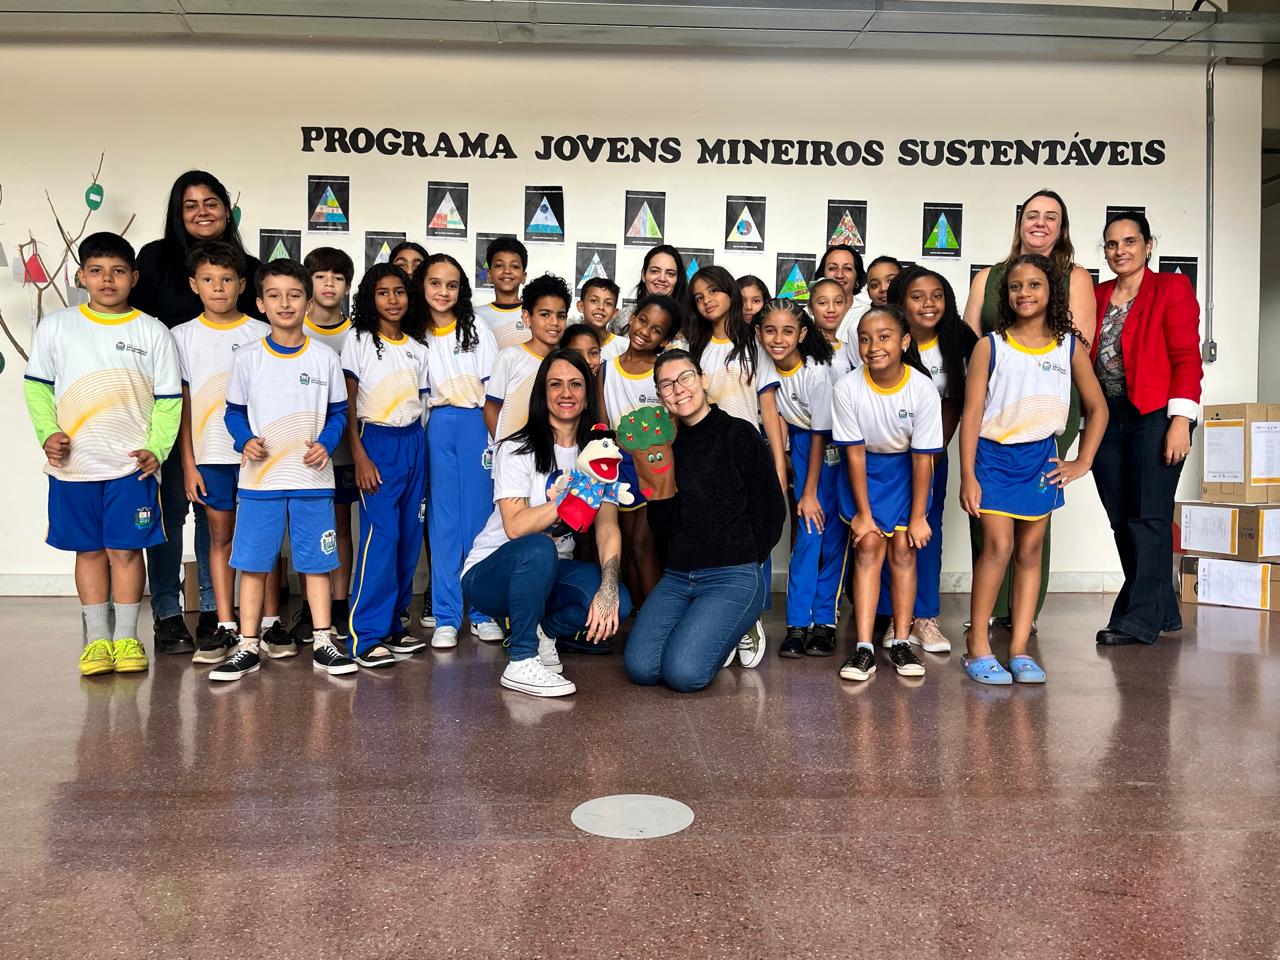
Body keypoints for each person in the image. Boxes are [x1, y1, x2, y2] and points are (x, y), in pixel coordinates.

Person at [24, 232, 181, 676]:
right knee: (89, 552)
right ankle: (97, 641)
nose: (107, 279)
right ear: (81, 277)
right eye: (96, 271)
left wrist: (156, 448)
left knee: (126, 552)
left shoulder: (152, 331)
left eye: (117, 271)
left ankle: (128, 638)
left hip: (132, 467)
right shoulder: (57, 326)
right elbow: (37, 388)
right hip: (73, 466)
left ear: (134, 277)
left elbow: (169, 400)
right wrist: (48, 433)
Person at [959, 254, 1108, 685]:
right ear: (1006, 295)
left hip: (1040, 459)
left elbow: (1098, 408)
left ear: (1051, 292)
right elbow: (972, 415)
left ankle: (1020, 649)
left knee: (1029, 552)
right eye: (1015, 286)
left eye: (1034, 285)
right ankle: (978, 646)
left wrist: (1082, 461)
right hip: (994, 458)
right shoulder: (990, 346)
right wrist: (968, 476)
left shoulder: (1069, 347)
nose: (1024, 293)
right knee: (998, 547)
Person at [131, 170, 263, 653]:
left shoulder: (249, 266)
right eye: (191, 204)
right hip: (169, 408)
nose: (202, 212)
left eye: (211, 202)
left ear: (227, 209)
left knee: (216, 516)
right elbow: (135, 325)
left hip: (227, 423)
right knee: (169, 513)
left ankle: (213, 609)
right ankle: (167, 612)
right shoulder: (155, 260)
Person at [212, 259, 355, 681]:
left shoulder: (325, 358)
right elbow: (233, 412)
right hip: (261, 482)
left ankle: (324, 642)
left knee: (317, 564)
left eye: (294, 295)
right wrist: (244, 439)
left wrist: (326, 443)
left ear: (308, 303)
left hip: (313, 481)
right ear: (260, 303)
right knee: (254, 563)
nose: (285, 303)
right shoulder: (248, 358)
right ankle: (248, 645)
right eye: (274, 296)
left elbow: (339, 413)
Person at [463, 349, 631, 697]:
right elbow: (515, 527)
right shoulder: (516, 448)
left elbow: (607, 528)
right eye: (555, 384)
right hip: (490, 574)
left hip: (551, 572)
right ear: (543, 393)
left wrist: (609, 587)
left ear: (587, 396)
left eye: (575, 384)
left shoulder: (598, 453)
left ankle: (545, 631)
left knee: (620, 602)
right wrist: (572, 496)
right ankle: (521, 660)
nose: (566, 393)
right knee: (540, 546)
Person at [962, 189, 1096, 625]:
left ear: (1062, 228)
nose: (1040, 223)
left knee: (1035, 517)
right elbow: (968, 340)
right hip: (994, 403)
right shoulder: (988, 277)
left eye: (1050, 217)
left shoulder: (1075, 276)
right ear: (1019, 223)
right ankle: (987, 613)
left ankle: (1023, 615)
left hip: (1049, 407)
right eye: (1032, 215)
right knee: (987, 517)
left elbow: (1079, 344)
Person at [624, 350, 785, 693]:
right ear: (660, 396)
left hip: (733, 574)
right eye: (667, 384)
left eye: (685, 377)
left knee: (683, 674)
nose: (678, 389)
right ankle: (711, 627)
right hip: (679, 576)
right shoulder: (662, 446)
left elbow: (771, 509)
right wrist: (657, 486)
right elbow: (661, 526)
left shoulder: (738, 434)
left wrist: (747, 560)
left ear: (703, 380)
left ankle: (739, 622)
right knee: (641, 667)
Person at [1091, 211, 1203, 647]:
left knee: (1149, 517)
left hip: (1155, 414)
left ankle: (1137, 620)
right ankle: (1164, 608)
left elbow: (1186, 358)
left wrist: (1181, 421)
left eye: (1130, 241)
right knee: (1121, 519)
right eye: (1112, 244)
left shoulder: (1171, 288)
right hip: (1107, 417)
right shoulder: (1098, 294)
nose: (1120, 250)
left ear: (1148, 245)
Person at [171, 241, 270, 665]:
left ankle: (266, 622)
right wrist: (188, 464)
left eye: (227, 279)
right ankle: (226, 623)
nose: (218, 287)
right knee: (219, 537)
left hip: (258, 455)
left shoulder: (260, 333)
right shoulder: (181, 337)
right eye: (208, 279)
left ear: (242, 285)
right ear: (194, 285)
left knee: (263, 539)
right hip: (210, 455)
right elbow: (182, 405)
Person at [831, 306, 942, 682]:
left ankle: (901, 641)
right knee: (867, 547)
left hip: (908, 472)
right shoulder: (847, 388)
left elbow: (923, 458)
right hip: (865, 474)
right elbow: (855, 455)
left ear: (904, 341)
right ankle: (863, 648)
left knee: (904, 551)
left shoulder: (922, 388)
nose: (874, 346)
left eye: (884, 337)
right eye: (865, 339)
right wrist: (863, 515)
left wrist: (918, 516)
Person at [686, 265, 786, 665]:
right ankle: (721, 619)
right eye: (699, 296)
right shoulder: (692, 346)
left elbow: (768, 409)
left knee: (755, 537)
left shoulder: (754, 345)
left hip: (747, 454)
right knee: (714, 538)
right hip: (703, 457)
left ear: (729, 292)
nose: (707, 300)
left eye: (713, 291)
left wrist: (778, 466)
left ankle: (750, 618)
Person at [875, 267, 978, 654]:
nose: (929, 304)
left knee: (925, 533)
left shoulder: (959, 339)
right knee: (890, 535)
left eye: (937, 295)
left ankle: (925, 617)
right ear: (900, 302)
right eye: (917, 297)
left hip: (932, 454)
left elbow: (955, 401)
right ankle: (894, 617)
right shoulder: (887, 336)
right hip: (887, 457)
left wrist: (932, 452)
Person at [342, 263, 431, 668]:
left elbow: (421, 404)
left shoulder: (418, 347)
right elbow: (347, 403)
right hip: (375, 442)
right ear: (370, 298)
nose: (393, 300)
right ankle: (365, 635)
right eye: (383, 292)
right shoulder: (359, 339)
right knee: (383, 536)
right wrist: (359, 454)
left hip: (413, 442)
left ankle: (394, 625)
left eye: (399, 291)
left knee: (409, 537)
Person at [416, 254, 500, 650]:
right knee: (443, 523)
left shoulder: (476, 327)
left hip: (475, 423)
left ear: (461, 290)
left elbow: (493, 391)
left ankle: (482, 612)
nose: (443, 292)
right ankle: (447, 616)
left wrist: (497, 440)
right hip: (436, 425)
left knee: (479, 521)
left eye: (451, 285)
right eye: (435, 283)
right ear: (422, 286)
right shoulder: (414, 333)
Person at [757, 299, 845, 659]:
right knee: (808, 538)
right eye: (770, 331)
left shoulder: (818, 370)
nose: (778, 339)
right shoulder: (766, 359)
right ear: (760, 333)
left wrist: (808, 493)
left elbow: (823, 434)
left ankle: (824, 623)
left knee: (829, 534)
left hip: (832, 450)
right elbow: (772, 412)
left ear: (803, 334)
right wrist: (781, 468)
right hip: (800, 444)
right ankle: (797, 624)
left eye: (788, 331)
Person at [599, 294, 682, 607]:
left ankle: (659, 616)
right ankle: (639, 613)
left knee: (641, 544)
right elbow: (602, 426)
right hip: (618, 470)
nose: (645, 331)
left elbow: (674, 425)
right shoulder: (606, 370)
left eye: (656, 330)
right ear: (632, 318)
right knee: (625, 547)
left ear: (665, 340)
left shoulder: (663, 373)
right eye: (643, 321)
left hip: (655, 469)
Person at [295, 246, 357, 641]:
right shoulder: (292, 327)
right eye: (320, 276)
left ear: (347, 286)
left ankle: (339, 603)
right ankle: (309, 607)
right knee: (308, 527)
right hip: (302, 449)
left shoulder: (356, 334)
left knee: (340, 526)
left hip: (344, 447)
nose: (329, 284)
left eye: (337, 277)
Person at [484, 273, 571, 445]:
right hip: (512, 455)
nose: (554, 322)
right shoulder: (510, 357)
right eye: (545, 314)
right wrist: (504, 451)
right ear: (527, 317)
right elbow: (491, 410)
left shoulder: (565, 364)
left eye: (561, 316)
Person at [609, 244, 687, 336]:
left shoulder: (688, 323)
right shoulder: (623, 318)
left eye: (670, 273)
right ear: (643, 275)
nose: (662, 278)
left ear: (677, 279)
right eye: (655, 271)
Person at [476, 236, 530, 351]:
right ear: (489, 275)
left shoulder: (534, 314)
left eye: (514, 266)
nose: (507, 271)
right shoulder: (475, 315)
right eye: (499, 266)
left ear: (523, 276)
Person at [818, 245, 870, 343]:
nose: (839, 275)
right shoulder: (807, 314)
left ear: (857, 278)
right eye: (832, 268)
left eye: (847, 268)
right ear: (822, 274)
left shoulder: (867, 313)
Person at [809, 276, 856, 381]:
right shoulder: (803, 347)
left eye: (838, 302)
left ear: (845, 306)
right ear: (810, 308)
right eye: (822, 303)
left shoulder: (850, 350)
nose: (831, 309)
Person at [576, 277, 624, 361]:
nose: (601, 307)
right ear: (581, 306)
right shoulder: (570, 342)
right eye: (594, 301)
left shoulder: (623, 347)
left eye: (608, 303)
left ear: (614, 313)